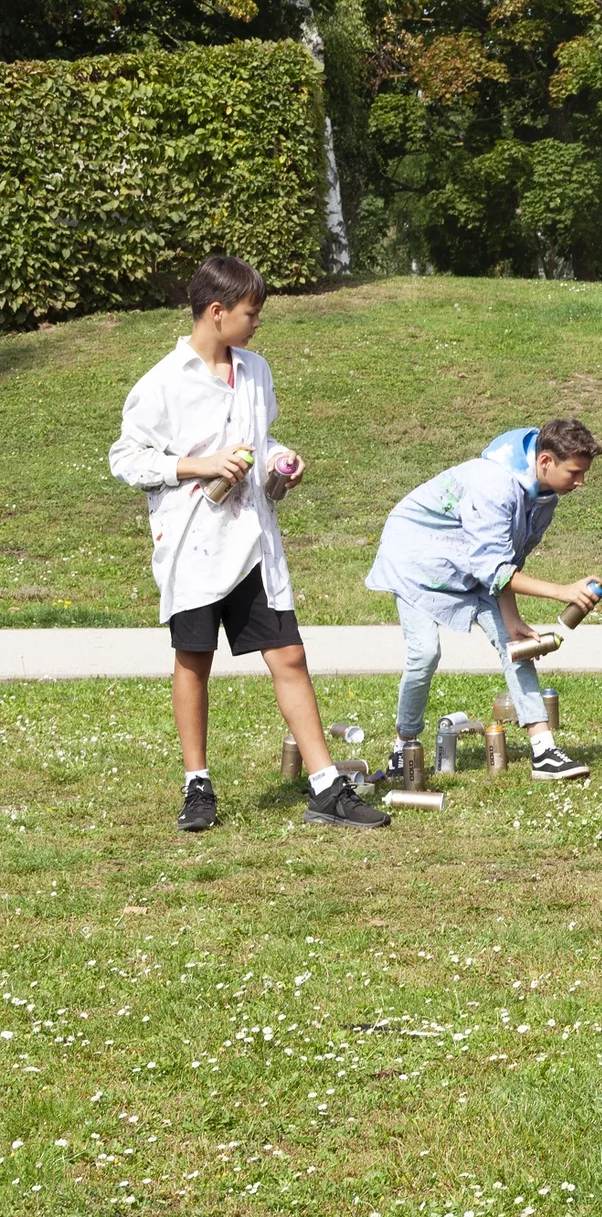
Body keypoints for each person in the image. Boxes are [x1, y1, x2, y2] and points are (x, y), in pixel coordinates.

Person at [109, 255, 387, 831]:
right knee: (194, 659)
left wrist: (279, 464)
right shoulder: (162, 383)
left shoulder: (255, 370)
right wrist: (198, 465)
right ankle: (197, 786)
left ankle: (325, 787)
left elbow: (257, 441)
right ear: (217, 312)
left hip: (252, 542)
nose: (257, 322)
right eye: (250, 313)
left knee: (288, 654)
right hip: (193, 545)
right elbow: (126, 458)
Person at [365, 420, 602, 782]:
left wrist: (511, 622)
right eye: (574, 473)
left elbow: (505, 561)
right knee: (425, 653)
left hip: (471, 564)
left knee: (516, 646)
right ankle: (404, 746)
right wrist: (563, 591)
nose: (580, 482)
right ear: (545, 462)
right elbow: (493, 568)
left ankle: (544, 751)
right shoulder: (494, 485)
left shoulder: (544, 498)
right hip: (416, 563)